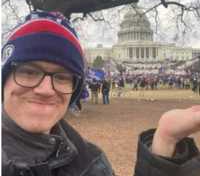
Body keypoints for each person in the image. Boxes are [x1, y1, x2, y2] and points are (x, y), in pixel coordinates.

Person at [2, 10, 200, 176]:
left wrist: (164, 146)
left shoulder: (93, 163)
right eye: (29, 72)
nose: (45, 90)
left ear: (75, 88)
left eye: (61, 76)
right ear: (4, 79)